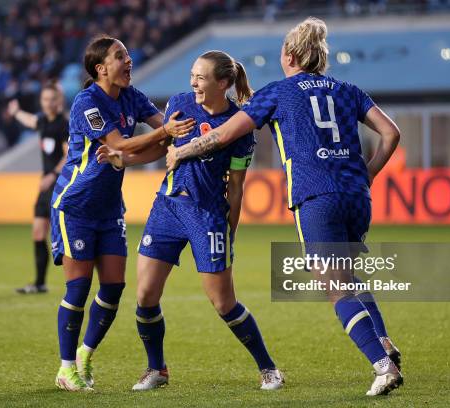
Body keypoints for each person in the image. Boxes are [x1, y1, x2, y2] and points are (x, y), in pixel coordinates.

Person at [166, 18, 403, 397]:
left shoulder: (278, 92)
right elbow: (391, 133)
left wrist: (181, 150)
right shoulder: (348, 90)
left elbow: (224, 135)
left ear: (290, 55)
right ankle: (385, 342)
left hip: (316, 196)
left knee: (334, 287)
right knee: (348, 274)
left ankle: (382, 366)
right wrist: (369, 173)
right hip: (357, 195)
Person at [100, 50, 284, 391]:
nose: (193, 82)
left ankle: (269, 368)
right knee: (145, 295)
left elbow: (237, 187)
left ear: (223, 83)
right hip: (167, 209)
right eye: (192, 75)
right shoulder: (180, 102)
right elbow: (163, 149)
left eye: (201, 77)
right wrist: (125, 159)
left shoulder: (240, 128)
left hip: (208, 215)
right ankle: (157, 370)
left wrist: (231, 231)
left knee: (223, 302)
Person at [51, 35, 194, 392]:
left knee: (114, 286)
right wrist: (161, 133)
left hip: (110, 208)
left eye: (128, 56)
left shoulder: (132, 96)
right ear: (101, 68)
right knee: (79, 287)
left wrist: (163, 136)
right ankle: (66, 368)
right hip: (76, 205)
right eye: (120, 57)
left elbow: (162, 137)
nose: (128, 61)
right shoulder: (88, 102)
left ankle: (85, 354)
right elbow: (117, 143)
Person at [8, 82, 69, 294]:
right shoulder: (42, 121)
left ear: (59, 101)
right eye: (45, 99)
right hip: (46, 185)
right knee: (37, 231)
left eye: (52, 99)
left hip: (61, 183)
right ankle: (40, 283)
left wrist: (52, 175)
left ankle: (79, 280)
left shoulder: (64, 125)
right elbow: (30, 120)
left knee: (64, 234)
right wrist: (16, 112)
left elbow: (68, 154)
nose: (48, 103)